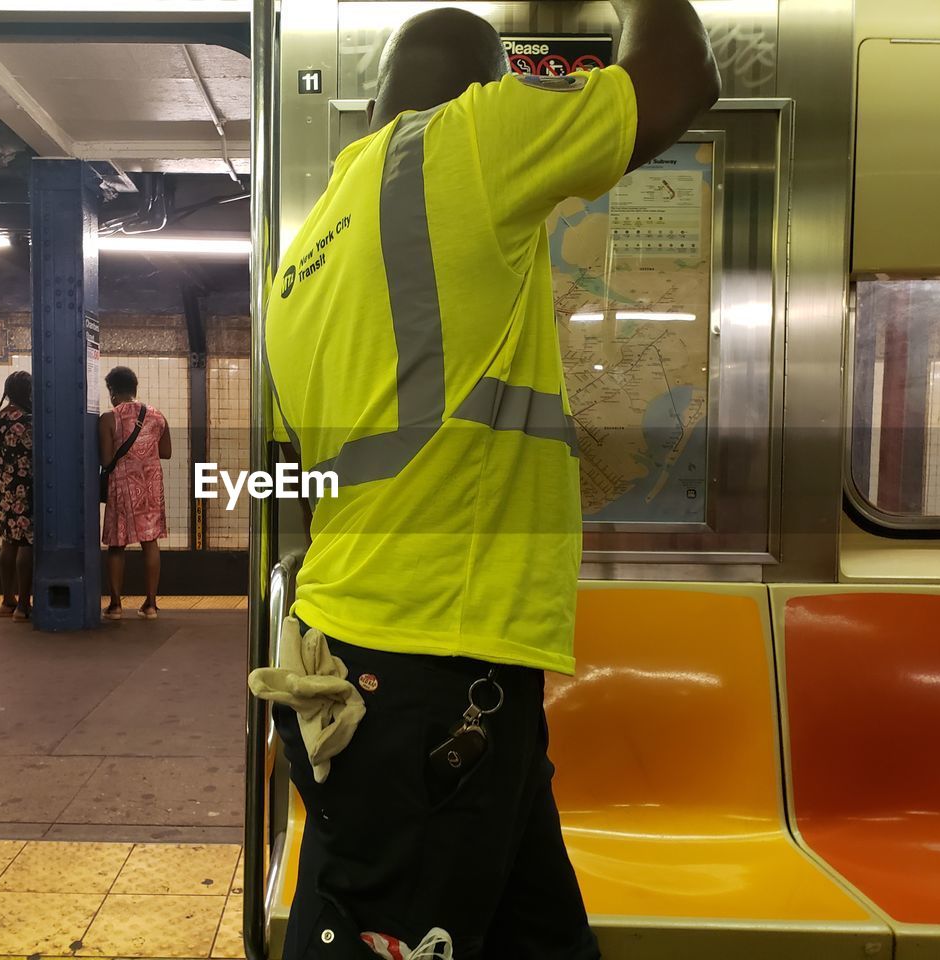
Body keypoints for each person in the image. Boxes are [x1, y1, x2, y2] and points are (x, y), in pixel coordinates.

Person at [257, 4, 719, 958]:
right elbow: (678, 80)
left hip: (381, 662)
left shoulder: (303, 257)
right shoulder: (461, 142)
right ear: (486, 91)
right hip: (432, 675)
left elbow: (309, 476)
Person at [99, 365, 171, 620]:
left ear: (112, 391)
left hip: (122, 487)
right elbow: (166, 452)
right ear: (135, 388)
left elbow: (106, 459)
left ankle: (116, 605)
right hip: (150, 486)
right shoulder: (157, 416)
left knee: (117, 546)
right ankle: (151, 604)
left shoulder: (109, 418)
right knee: (150, 543)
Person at [0, 370, 34, 622]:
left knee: (7, 542)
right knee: (26, 544)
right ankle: (24, 605)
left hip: (3, 488)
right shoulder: (30, 420)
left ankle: (6, 600)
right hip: (27, 487)